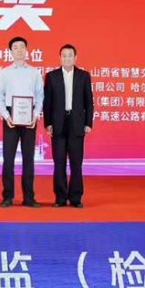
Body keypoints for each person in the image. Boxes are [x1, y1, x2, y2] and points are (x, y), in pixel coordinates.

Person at [0, 38, 46, 208]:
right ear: (10, 51)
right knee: (8, 159)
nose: (19, 50)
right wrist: (6, 116)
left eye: (22, 47)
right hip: (11, 116)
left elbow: (40, 96)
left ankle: (29, 198)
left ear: (27, 50)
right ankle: (8, 197)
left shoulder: (34, 72)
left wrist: (35, 115)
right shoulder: (5, 73)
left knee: (28, 159)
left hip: (29, 117)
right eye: (15, 47)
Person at [45, 43, 95, 207]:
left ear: (75, 58)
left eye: (70, 55)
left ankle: (75, 198)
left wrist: (88, 123)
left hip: (77, 124)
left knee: (76, 163)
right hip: (58, 124)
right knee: (59, 163)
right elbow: (47, 103)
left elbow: (89, 102)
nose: (67, 58)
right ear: (60, 58)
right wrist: (48, 123)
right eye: (64, 56)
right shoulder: (52, 76)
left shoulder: (83, 76)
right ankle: (60, 198)